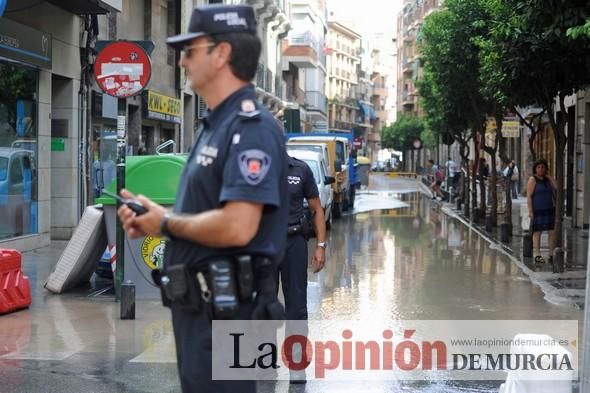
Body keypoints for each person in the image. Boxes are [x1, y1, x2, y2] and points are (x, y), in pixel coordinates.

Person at [117, 5, 288, 392]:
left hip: (228, 315)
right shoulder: (217, 124)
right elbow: (210, 212)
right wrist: (157, 216)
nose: (181, 62)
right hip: (202, 311)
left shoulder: (251, 128)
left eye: (190, 51)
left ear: (221, 54)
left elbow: (238, 225)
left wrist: (164, 222)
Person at [279, 153, 327, 383]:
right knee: (261, 303)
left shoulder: (300, 169)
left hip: (294, 242)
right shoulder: (253, 168)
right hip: (264, 244)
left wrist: (320, 246)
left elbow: (317, 209)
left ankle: (296, 362)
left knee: (297, 305)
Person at [526, 159, 556, 264]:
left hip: (549, 209)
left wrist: (549, 177)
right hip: (537, 209)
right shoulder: (532, 180)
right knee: (537, 232)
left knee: (551, 232)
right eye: (538, 167)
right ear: (535, 169)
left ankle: (551, 254)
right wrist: (530, 211)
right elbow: (529, 196)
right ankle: (538, 254)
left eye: (543, 167)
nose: (541, 169)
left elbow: (556, 188)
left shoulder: (548, 180)